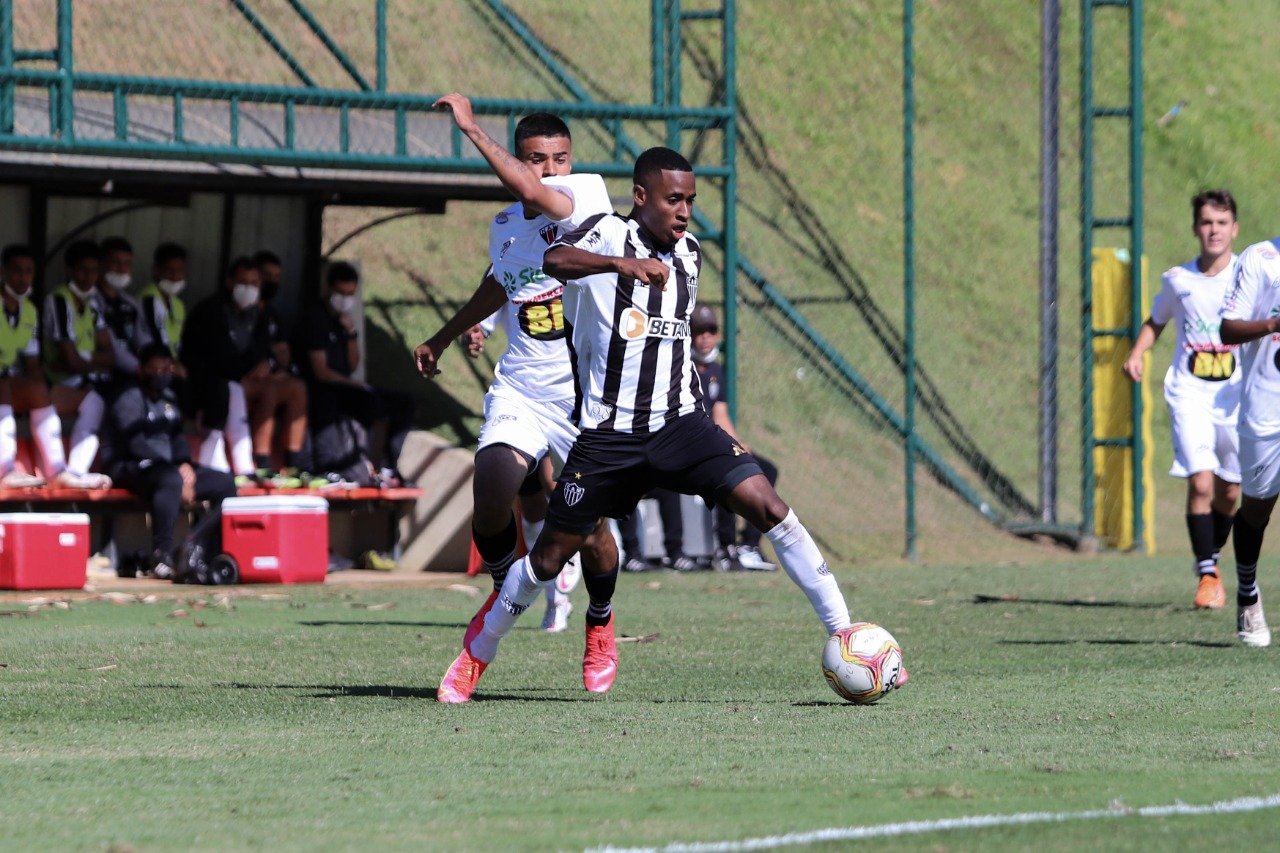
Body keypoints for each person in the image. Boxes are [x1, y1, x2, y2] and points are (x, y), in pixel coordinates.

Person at [438, 146, 903, 704]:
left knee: (770, 507)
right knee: (547, 559)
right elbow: (554, 263)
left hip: (683, 424)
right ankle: (477, 655)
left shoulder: (692, 254)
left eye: (691, 200)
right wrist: (620, 266)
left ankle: (845, 632)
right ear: (641, 197)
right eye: (673, 199)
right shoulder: (609, 235)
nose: (685, 211)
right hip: (609, 432)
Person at [415, 93, 613, 664]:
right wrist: (445, 334)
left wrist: (471, 129)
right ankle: (506, 586)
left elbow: (536, 195)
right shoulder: (504, 225)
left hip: (583, 395)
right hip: (522, 386)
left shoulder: (584, 196)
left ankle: (599, 623)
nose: (549, 169)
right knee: (492, 488)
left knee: (592, 531)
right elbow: (498, 284)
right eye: (535, 159)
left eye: (558, 158)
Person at [1123, 189, 1241, 610]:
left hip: (1235, 398)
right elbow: (1156, 320)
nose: (1214, 230)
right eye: (1207, 222)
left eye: (1222, 222)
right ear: (1196, 228)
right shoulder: (1178, 280)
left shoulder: (1250, 275)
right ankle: (1207, 573)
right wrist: (1137, 353)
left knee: (1230, 493)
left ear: (1234, 229)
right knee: (1201, 481)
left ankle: (1213, 556)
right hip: (1189, 393)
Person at [101, 343, 238, 579]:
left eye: (166, 369)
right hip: (131, 466)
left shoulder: (169, 398)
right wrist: (177, 471)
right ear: (141, 370)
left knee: (225, 483)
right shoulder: (128, 397)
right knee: (170, 480)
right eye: (154, 369)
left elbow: (177, 439)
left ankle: (199, 546)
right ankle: (161, 557)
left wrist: (184, 463)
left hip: (169, 468)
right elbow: (136, 444)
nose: (160, 375)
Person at [181, 256, 307, 487]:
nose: (249, 289)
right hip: (206, 382)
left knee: (290, 386)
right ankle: (256, 463)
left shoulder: (256, 313)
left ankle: (290, 465)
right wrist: (251, 370)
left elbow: (263, 350)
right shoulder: (210, 311)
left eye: (254, 283)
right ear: (229, 282)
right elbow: (220, 358)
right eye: (243, 282)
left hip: (241, 379)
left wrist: (267, 364)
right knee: (239, 388)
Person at [1218, 230, 1280, 647]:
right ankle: (1247, 593)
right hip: (1266, 412)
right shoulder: (1260, 259)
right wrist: (1275, 323)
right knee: (1256, 511)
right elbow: (1227, 329)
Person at [300, 261, 412, 487]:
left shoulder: (343, 321)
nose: (345, 298)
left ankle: (388, 467)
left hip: (346, 384)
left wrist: (351, 333)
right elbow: (321, 371)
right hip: (325, 389)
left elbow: (352, 364)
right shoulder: (315, 318)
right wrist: (354, 385)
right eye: (341, 293)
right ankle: (362, 465)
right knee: (368, 401)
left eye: (350, 293)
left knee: (404, 404)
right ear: (328, 289)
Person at [690, 303, 779, 572]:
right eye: (699, 331)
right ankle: (725, 548)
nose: (705, 337)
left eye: (711, 330)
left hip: (715, 442)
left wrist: (738, 443)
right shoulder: (681, 366)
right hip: (691, 444)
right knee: (723, 474)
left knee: (764, 469)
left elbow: (721, 415)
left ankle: (749, 546)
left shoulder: (717, 370)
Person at [0, 244, 81, 488]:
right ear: (3, 271)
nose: (23, 277)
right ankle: (6, 472)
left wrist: (41, 392)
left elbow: (32, 362)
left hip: (5, 383)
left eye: (28, 271)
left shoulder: (30, 311)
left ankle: (58, 472)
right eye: (16, 271)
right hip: (1, 385)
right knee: (3, 386)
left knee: (38, 390)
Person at [41, 239, 114, 489]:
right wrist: (91, 361)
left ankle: (84, 471)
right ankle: (75, 472)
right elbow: (68, 361)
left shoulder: (93, 302)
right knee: (98, 400)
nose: (88, 277)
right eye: (82, 270)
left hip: (85, 378)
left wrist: (83, 356)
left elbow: (110, 355)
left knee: (119, 397)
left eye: (94, 271)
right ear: (70, 269)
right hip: (58, 383)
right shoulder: (59, 301)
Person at [93, 235, 146, 387]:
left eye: (127, 263)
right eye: (116, 262)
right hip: (103, 374)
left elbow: (141, 338)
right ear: (101, 264)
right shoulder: (91, 300)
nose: (122, 269)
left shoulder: (131, 303)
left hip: (132, 371)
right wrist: (139, 369)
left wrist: (156, 362)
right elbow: (111, 347)